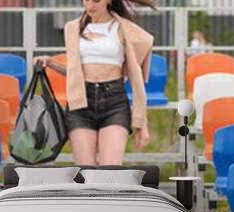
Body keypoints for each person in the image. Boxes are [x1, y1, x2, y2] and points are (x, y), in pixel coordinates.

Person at [33, 0, 155, 165]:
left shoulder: (123, 28)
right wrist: (51, 62)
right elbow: (75, 72)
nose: (90, 5)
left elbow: (136, 76)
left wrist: (142, 123)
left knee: (109, 172)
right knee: (86, 172)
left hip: (114, 101)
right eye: (86, 0)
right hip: (81, 103)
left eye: (96, 0)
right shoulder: (73, 28)